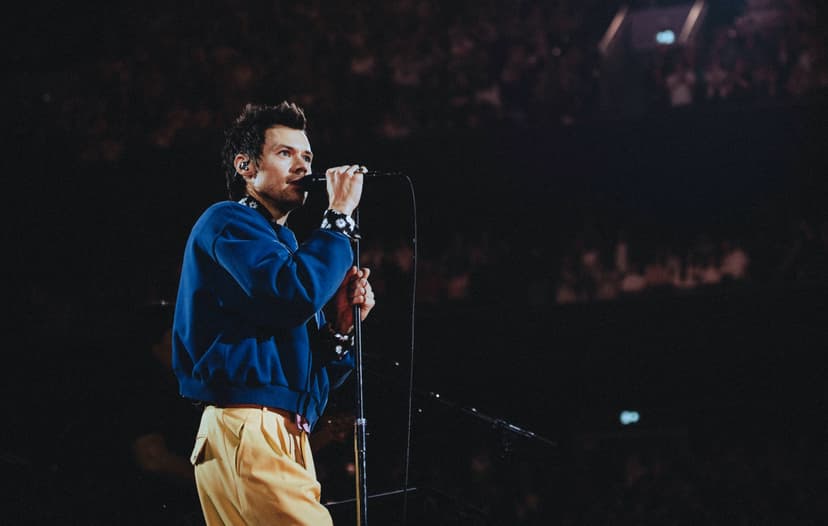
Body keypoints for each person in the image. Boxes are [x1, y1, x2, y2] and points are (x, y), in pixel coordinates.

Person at [172, 101, 376, 525]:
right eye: (285, 153)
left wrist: (341, 328)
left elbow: (305, 371)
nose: (303, 166)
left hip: (277, 430)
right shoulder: (227, 221)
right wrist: (338, 217)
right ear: (245, 166)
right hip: (250, 425)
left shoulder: (284, 247)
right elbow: (292, 294)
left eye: (307, 157)